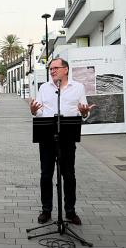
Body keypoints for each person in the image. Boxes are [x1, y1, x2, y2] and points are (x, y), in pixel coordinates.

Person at [30, 58, 95, 225]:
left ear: (65, 69)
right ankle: (46, 210)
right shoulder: (44, 88)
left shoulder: (78, 87)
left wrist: (84, 112)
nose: (52, 71)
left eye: (55, 68)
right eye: (50, 69)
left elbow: (84, 113)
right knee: (46, 175)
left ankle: (70, 211)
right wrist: (34, 111)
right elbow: (39, 112)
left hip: (67, 138)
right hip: (47, 138)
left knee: (69, 175)